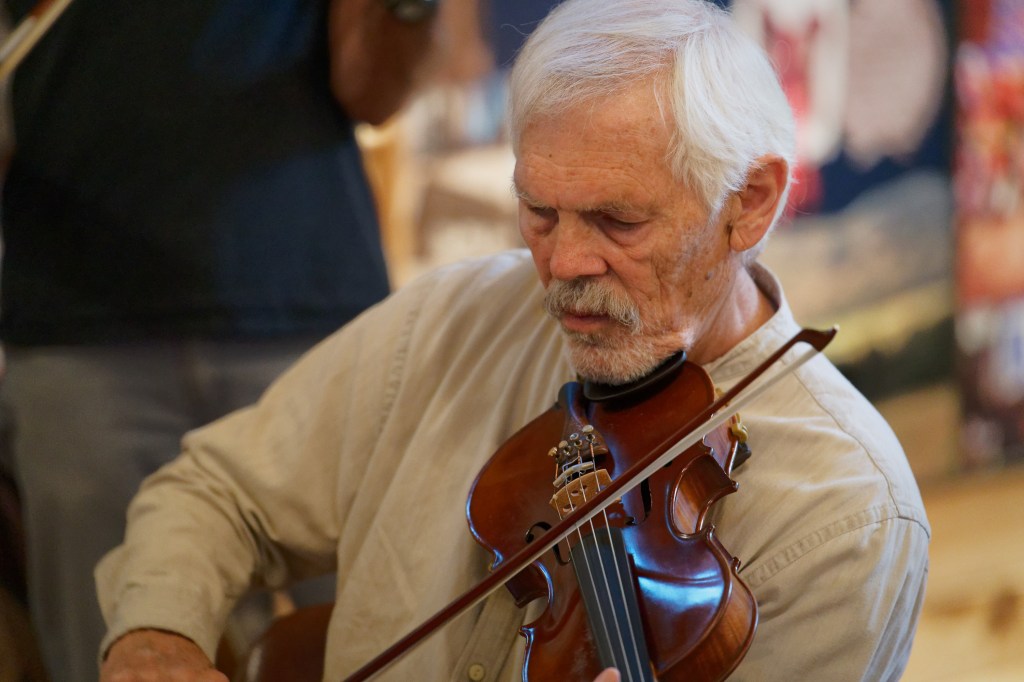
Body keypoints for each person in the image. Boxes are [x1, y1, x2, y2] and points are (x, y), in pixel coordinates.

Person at [95, 0, 931, 680]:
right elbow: (213, 490)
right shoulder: (457, 316)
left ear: (748, 202)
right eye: (539, 211)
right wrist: (156, 636)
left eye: (617, 220)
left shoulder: (846, 514)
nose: (564, 263)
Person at [0, 0, 440, 680]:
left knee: (400, 639)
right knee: (113, 651)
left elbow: (374, 91)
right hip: (75, 324)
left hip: (309, 307)